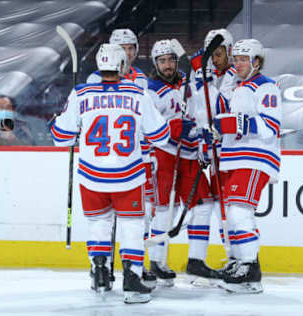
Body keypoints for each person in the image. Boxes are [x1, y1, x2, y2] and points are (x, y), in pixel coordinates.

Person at [51, 44, 187, 304]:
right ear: (123, 66)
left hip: (92, 175)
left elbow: (61, 137)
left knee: (99, 223)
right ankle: (133, 280)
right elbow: (161, 136)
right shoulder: (138, 93)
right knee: (131, 225)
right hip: (128, 174)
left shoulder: (81, 93)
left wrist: (58, 122)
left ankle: (100, 273)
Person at [86, 28, 158, 287]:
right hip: (123, 164)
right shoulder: (94, 81)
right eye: (122, 49)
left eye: (131, 48)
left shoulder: (140, 79)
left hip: (135, 158)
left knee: (142, 214)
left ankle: (131, 266)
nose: (128, 54)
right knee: (123, 219)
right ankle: (108, 269)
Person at [146, 39, 221, 286]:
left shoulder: (187, 84)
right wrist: (175, 127)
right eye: (162, 61)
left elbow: (200, 111)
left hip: (190, 155)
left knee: (203, 205)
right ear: (155, 63)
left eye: (171, 60)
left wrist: (203, 132)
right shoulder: (150, 90)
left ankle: (196, 262)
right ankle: (157, 263)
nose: (167, 65)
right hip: (165, 155)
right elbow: (147, 127)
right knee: (165, 210)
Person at [210, 39, 282, 294]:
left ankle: (250, 268)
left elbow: (271, 126)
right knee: (233, 215)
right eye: (236, 59)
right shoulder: (240, 87)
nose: (238, 63)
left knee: (239, 213)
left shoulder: (266, 86)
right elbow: (233, 126)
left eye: (244, 59)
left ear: (256, 62)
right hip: (235, 157)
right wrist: (217, 133)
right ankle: (244, 262)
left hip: (254, 158)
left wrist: (232, 124)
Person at [190, 28, 240, 272]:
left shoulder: (234, 75)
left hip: (229, 151)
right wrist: (201, 140)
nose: (215, 59)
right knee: (218, 205)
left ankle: (236, 256)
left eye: (219, 54)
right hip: (210, 150)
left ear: (229, 51)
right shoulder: (203, 72)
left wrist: (205, 80)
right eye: (212, 55)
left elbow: (222, 106)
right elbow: (198, 109)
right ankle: (232, 256)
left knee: (231, 207)